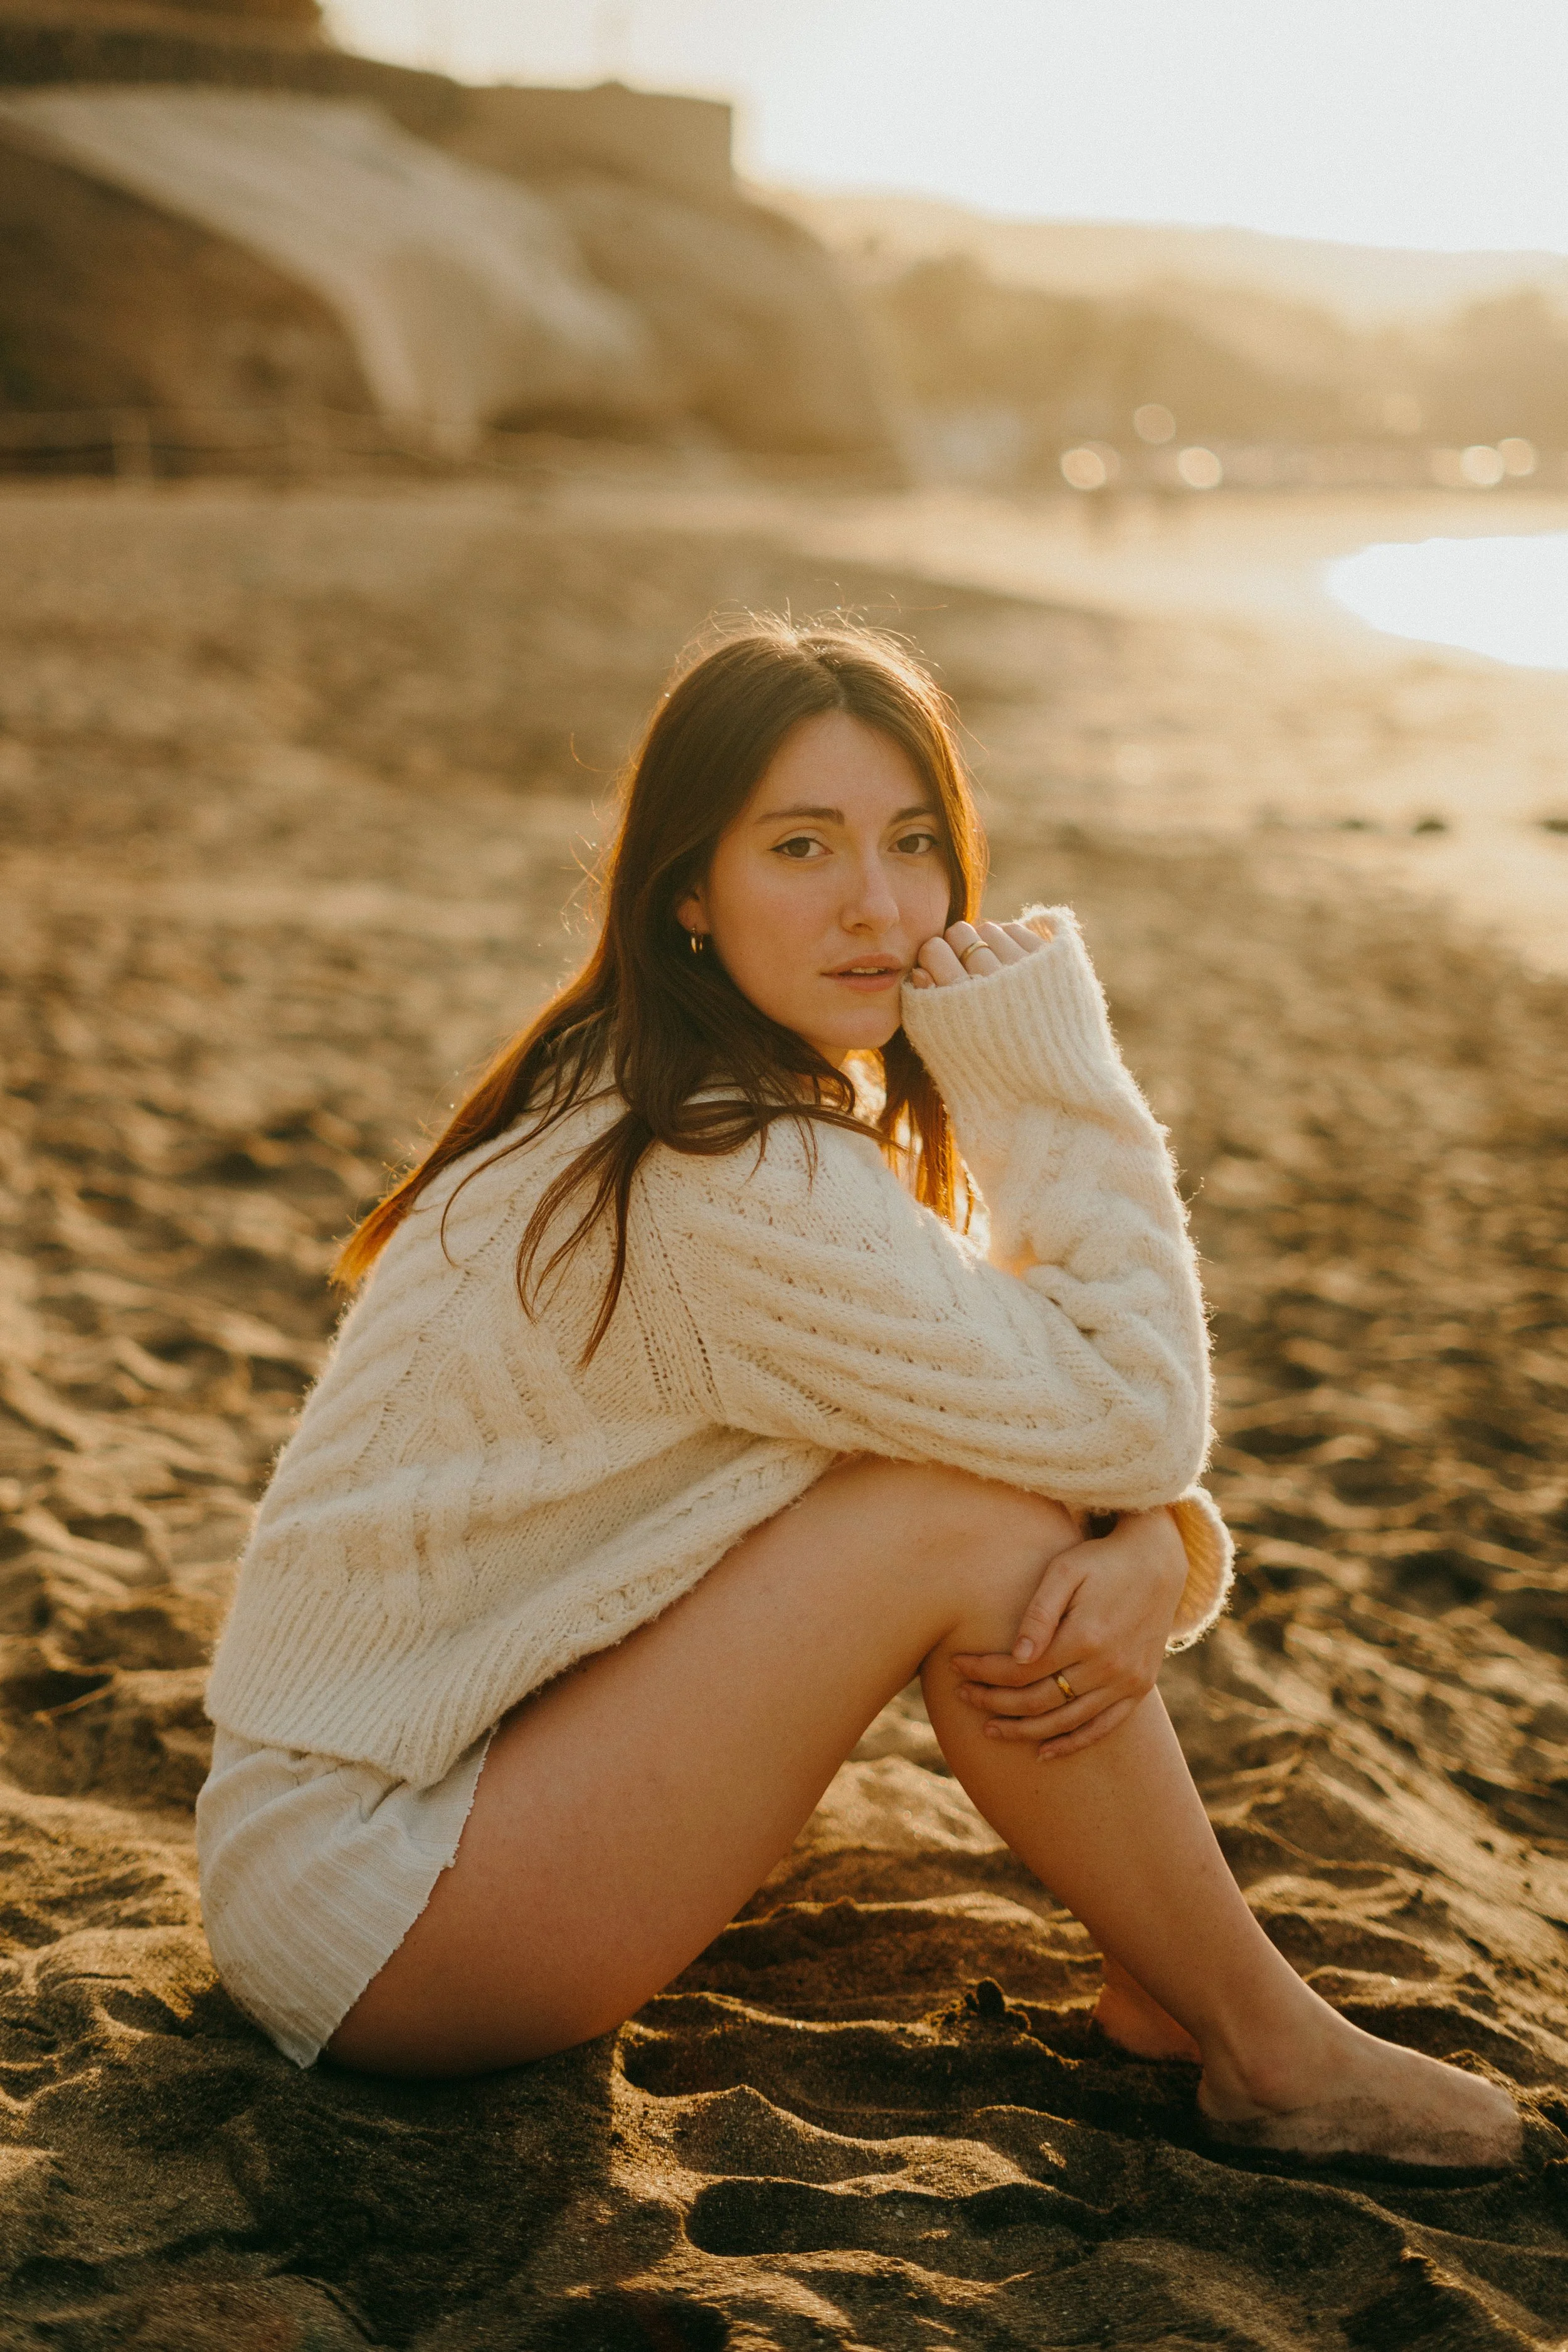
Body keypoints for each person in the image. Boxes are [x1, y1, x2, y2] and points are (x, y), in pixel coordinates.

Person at [197, 619, 1517, 2166]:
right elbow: (1123, 1416)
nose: (877, 908)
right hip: (377, 1905)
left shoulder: (666, 1096)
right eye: (802, 847)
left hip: (392, 1824)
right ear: (686, 889)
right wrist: (1038, 1075)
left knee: (973, 1506)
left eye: (910, 845)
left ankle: (1180, 1993)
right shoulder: (718, 1172)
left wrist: (1150, 1537)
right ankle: (1261, 2044)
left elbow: (1023, 1409)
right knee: (962, 1528)